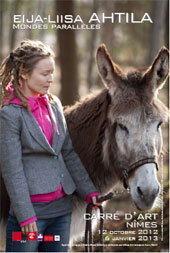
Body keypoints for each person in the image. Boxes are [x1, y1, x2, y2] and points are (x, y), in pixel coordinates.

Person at [0, 39, 100, 252]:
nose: (51, 79)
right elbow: (12, 170)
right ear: (24, 74)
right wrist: (25, 215)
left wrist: (89, 191)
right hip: (31, 217)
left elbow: (67, 153)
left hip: (61, 214)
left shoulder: (53, 104)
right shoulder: (9, 116)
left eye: (52, 73)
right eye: (44, 74)